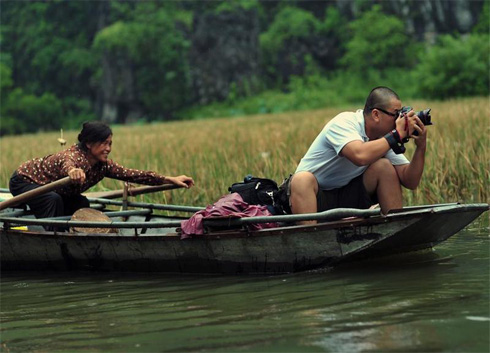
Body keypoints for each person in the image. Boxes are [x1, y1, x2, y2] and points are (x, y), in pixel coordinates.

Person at [9, 121, 194, 227]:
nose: (108, 149)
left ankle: (72, 231)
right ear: (89, 144)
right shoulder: (73, 156)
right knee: (52, 200)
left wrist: (170, 179)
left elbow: (134, 175)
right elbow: (68, 164)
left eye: (110, 144)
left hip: (54, 191)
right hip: (24, 182)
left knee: (82, 203)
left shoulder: (103, 166)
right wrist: (73, 172)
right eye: (104, 143)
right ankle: (52, 235)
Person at [289, 86, 427, 224]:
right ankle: (311, 241)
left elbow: (411, 181)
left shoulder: (384, 139)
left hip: (345, 196)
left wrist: (421, 147)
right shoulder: (344, 122)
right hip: (312, 198)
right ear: (376, 115)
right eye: (395, 114)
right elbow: (360, 156)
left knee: (384, 167)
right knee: (302, 179)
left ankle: (395, 231)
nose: (399, 120)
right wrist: (396, 136)